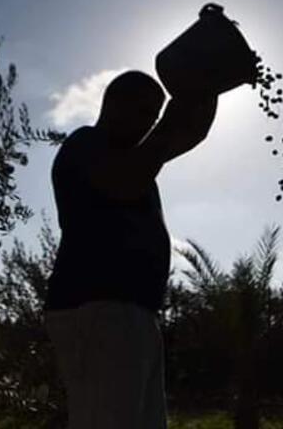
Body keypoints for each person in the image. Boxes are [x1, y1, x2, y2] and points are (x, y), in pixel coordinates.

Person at [43, 70, 221, 429]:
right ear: (114, 104)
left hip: (131, 313)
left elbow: (191, 133)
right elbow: (124, 182)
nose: (149, 125)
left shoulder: (138, 160)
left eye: (153, 116)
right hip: (97, 307)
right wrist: (171, 119)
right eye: (144, 113)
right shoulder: (86, 144)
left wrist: (212, 84)